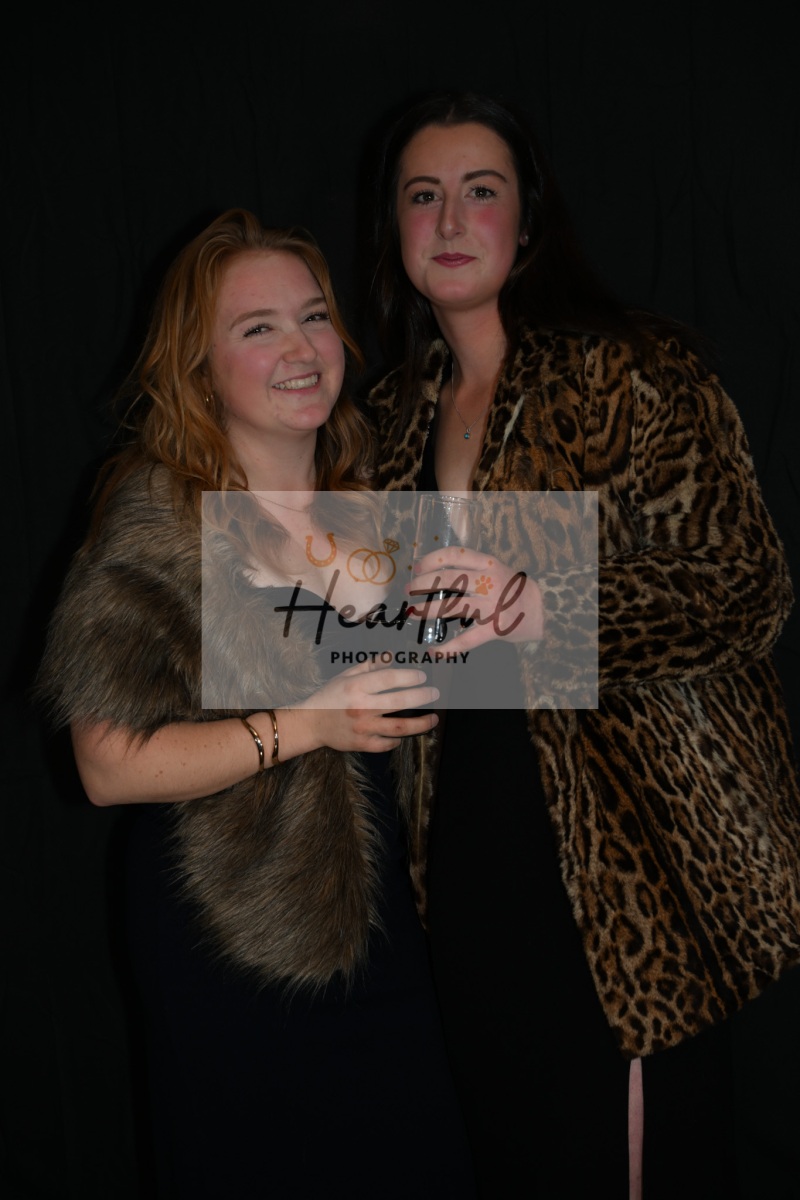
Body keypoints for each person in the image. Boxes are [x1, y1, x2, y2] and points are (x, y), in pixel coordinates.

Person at [364, 90, 800, 1199]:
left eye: (479, 191)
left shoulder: (632, 368)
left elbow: (745, 585)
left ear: (528, 218)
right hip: (465, 857)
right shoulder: (391, 415)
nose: (448, 220)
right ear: (394, 226)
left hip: (623, 869)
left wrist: (548, 603)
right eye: (422, 195)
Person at [35, 209, 477, 1199]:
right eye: (257, 327)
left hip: (395, 942)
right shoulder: (159, 519)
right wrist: (310, 723)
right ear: (201, 371)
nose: (300, 347)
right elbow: (104, 766)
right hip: (231, 938)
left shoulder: (381, 506)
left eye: (314, 316)